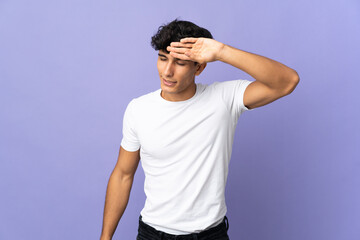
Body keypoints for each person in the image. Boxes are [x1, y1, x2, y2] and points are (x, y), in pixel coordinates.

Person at [100, 19, 299, 240]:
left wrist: (222, 51)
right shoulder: (138, 109)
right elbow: (123, 175)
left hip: (209, 235)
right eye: (162, 58)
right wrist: (105, 237)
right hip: (152, 234)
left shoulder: (224, 99)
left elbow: (287, 81)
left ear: (200, 67)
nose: (167, 71)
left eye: (180, 62)